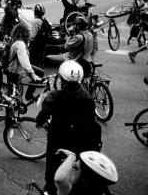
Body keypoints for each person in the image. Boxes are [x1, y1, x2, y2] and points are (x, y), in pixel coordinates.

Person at [36, 60, 102, 195]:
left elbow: (43, 114)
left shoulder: (55, 95)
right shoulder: (87, 96)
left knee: (52, 164)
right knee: (76, 166)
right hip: (80, 138)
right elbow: (91, 118)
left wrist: (39, 122)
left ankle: (50, 188)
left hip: (58, 138)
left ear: (61, 79)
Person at [5, 23, 43, 101]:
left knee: (12, 90)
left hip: (11, 68)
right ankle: (28, 96)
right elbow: (24, 60)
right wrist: (32, 74)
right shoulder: (20, 44)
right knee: (13, 96)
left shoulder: (13, 41)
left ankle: (16, 102)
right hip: (15, 69)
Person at [54, 150, 118, 195]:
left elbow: (60, 179)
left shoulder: (71, 191)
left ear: (85, 179)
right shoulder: (98, 189)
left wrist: (72, 156)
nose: (71, 167)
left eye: (75, 167)